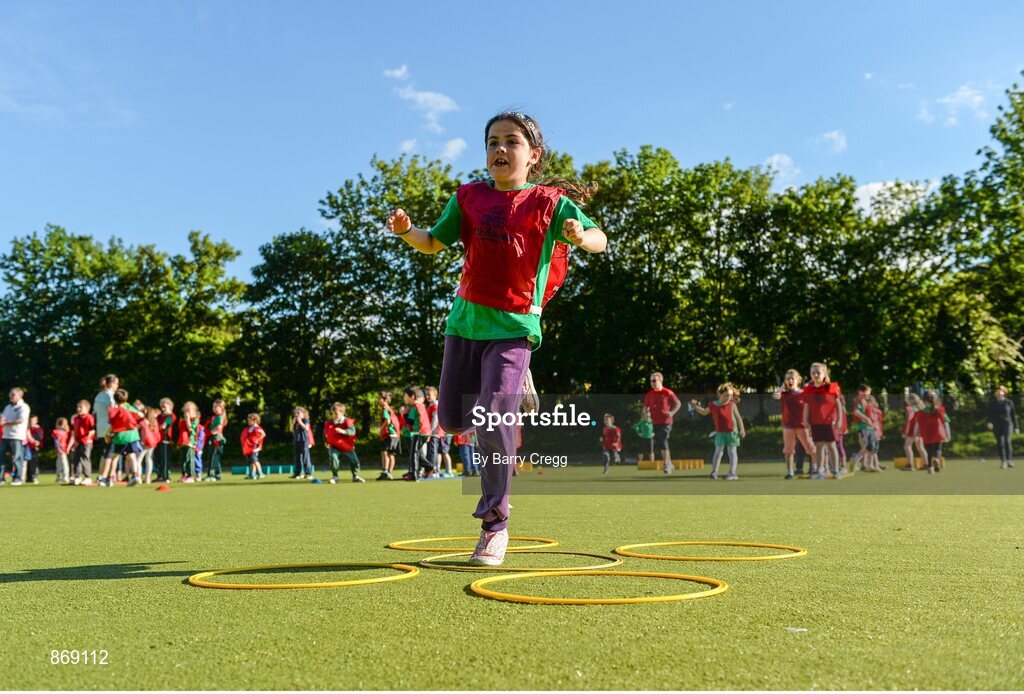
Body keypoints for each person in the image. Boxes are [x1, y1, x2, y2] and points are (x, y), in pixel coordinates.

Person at [386, 110, 607, 565]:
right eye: (492, 142)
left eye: (511, 142)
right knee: (449, 421)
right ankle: (509, 390)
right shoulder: (467, 198)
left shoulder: (548, 201)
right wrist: (408, 231)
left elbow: (600, 237)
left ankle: (495, 524)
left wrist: (581, 236)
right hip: (464, 324)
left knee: (491, 419)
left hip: (514, 328)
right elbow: (433, 242)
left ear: (534, 155)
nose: (500, 150)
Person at [691, 384, 746, 481]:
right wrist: (695, 406)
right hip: (720, 433)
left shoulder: (732, 405)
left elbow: (738, 418)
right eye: (726, 395)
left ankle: (732, 473)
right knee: (718, 453)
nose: (728, 397)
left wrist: (742, 429)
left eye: (730, 395)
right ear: (719, 394)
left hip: (732, 433)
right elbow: (704, 412)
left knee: (732, 452)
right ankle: (714, 472)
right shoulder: (713, 405)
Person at [802, 363, 843, 480]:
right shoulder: (808, 389)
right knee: (818, 446)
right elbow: (806, 406)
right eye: (813, 373)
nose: (815, 375)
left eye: (818, 372)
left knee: (831, 445)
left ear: (824, 374)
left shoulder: (831, 387)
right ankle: (820, 471)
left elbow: (838, 404)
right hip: (815, 422)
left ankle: (835, 470)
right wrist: (805, 419)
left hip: (829, 422)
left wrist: (839, 419)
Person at [773, 369, 814, 479]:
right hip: (788, 426)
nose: (790, 380)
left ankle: (816, 469)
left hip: (802, 426)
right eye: (787, 379)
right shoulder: (783, 393)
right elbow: (776, 396)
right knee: (788, 450)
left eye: (792, 378)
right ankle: (790, 472)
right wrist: (782, 386)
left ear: (798, 380)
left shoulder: (803, 393)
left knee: (811, 448)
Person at [99, 389, 145, 487]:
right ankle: (136, 476)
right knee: (132, 455)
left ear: (115, 399)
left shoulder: (116, 409)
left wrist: (107, 434)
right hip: (132, 435)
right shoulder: (129, 407)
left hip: (120, 436)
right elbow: (141, 415)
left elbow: (113, 424)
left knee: (114, 457)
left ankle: (110, 479)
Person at [643, 372, 682, 475]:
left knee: (663, 440)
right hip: (655, 422)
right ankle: (669, 463)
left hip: (666, 422)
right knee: (661, 442)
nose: (652, 383)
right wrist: (646, 415)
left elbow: (678, 403)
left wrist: (672, 412)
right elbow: (645, 407)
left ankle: (666, 465)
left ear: (660, 381)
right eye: (651, 381)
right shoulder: (649, 394)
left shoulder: (668, 392)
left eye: (654, 380)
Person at [324, 402, 365, 484]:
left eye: (336, 413)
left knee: (355, 461)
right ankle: (335, 476)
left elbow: (353, 432)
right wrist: (326, 441)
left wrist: (343, 431)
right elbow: (326, 433)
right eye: (332, 413)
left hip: (347, 446)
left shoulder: (347, 421)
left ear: (342, 413)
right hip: (334, 446)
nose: (334, 415)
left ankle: (356, 476)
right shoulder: (329, 423)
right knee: (333, 458)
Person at [1, 388, 31, 485]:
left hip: (17, 436)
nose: (11, 396)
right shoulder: (8, 407)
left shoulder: (24, 407)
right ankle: (1, 478)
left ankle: (17, 478)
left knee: (17, 458)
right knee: (1, 458)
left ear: (19, 395)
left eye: (13, 394)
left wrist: (6, 423)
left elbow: (20, 420)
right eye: (10, 394)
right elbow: (3, 418)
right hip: (5, 435)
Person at [912, 390, 947, 474]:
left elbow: (918, 423)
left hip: (927, 433)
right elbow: (944, 420)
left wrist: (915, 433)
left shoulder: (921, 411)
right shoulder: (938, 409)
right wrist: (946, 433)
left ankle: (930, 467)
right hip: (938, 432)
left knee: (929, 450)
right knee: (938, 449)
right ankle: (936, 459)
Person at [400, 387, 431, 481]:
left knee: (414, 453)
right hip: (424, 432)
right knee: (417, 453)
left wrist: (403, 413)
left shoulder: (414, 406)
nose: (404, 398)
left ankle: (415, 474)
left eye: (406, 396)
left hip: (419, 433)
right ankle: (425, 468)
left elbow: (410, 421)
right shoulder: (421, 405)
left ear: (412, 396)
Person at [92, 374, 119, 481]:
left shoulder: (98, 395)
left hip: (101, 427)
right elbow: (114, 411)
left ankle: (106, 475)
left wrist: (95, 428)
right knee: (111, 453)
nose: (117, 385)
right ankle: (104, 476)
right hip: (111, 427)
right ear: (111, 383)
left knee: (107, 452)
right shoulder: (111, 395)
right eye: (117, 383)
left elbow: (94, 413)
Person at [986, 386, 1019, 469]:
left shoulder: (1009, 402)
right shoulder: (992, 403)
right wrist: (989, 422)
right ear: (996, 393)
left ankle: (1009, 460)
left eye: (1001, 391)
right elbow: (989, 414)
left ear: (1004, 392)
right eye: (998, 392)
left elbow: (1014, 416)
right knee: (1000, 443)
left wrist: (1016, 427)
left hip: (1008, 424)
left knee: (1007, 441)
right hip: (997, 425)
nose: (999, 393)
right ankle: (1003, 461)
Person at [69, 400, 95, 485]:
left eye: (81, 407)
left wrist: (87, 438)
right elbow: (75, 431)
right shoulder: (76, 418)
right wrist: (75, 440)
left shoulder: (89, 417)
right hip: (78, 441)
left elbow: (92, 429)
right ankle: (78, 476)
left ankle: (88, 477)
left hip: (87, 441)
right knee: (76, 459)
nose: (78, 409)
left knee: (85, 458)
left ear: (87, 408)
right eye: (77, 407)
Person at [901, 389, 928, 471]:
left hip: (913, 429)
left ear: (910, 400)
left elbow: (909, 420)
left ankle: (910, 464)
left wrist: (906, 431)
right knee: (920, 447)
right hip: (920, 429)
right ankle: (926, 464)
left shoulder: (910, 408)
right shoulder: (921, 407)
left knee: (907, 446)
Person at [377, 392, 400, 480]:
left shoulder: (385, 409)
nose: (378, 401)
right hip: (395, 434)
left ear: (385, 400)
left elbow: (388, 421)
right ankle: (389, 472)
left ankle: (385, 471)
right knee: (391, 454)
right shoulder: (390, 409)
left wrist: (381, 429)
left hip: (389, 434)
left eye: (379, 399)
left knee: (385, 453)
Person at [203, 399, 228, 482]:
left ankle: (211, 474)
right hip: (214, 438)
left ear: (221, 408)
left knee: (213, 456)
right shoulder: (214, 417)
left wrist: (210, 433)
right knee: (215, 456)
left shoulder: (219, 417)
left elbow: (219, 427)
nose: (215, 408)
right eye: (214, 406)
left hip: (216, 438)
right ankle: (217, 474)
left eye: (217, 406)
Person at [177, 401, 201, 483]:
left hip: (190, 442)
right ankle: (184, 474)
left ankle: (191, 476)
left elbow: (190, 429)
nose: (187, 413)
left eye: (189, 410)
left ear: (194, 412)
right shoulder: (183, 420)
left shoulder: (195, 420)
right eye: (185, 411)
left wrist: (187, 419)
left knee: (189, 459)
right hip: (183, 442)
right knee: (183, 460)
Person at [138, 408, 162, 484]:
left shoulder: (143, 422)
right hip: (152, 443)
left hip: (144, 443)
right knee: (149, 459)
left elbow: (135, 428)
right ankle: (147, 478)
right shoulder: (155, 422)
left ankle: (138, 477)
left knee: (138, 460)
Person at [155, 398, 177, 483]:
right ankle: (160, 475)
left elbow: (163, 426)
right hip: (158, 439)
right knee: (158, 459)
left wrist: (156, 426)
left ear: (170, 406)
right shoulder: (160, 416)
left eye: (165, 404)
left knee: (165, 458)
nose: (163, 405)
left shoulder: (170, 416)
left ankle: (166, 476)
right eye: (162, 404)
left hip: (165, 439)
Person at [290, 406, 314, 480]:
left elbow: (306, 428)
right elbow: (291, 430)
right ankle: (297, 473)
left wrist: (300, 422)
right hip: (297, 440)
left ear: (302, 413)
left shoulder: (305, 420)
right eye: (296, 413)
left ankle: (308, 473)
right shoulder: (296, 422)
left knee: (305, 457)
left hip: (304, 440)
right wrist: (294, 422)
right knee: (297, 457)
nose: (297, 414)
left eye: (298, 413)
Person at [240, 413, 267, 479]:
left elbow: (263, 434)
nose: (248, 422)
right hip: (249, 447)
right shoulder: (250, 428)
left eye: (250, 420)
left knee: (255, 460)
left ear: (255, 420)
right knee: (251, 461)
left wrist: (257, 440)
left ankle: (261, 473)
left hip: (254, 447)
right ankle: (252, 474)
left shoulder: (257, 427)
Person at [24, 415, 44, 484]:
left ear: (36, 421)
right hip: (27, 448)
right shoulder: (27, 429)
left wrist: (32, 440)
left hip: (34, 448)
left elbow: (39, 438)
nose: (31, 422)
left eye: (32, 421)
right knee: (28, 464)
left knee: (34, 463)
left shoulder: (38, 429)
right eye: (30, 421)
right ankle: (28, 478)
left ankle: (34, 477)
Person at [52, 417, 73, 484]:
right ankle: (60, 477)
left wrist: (59, 449)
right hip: (61, 450)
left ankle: (64, 477)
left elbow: (56, 442)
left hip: (62, 450)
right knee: (60, 463)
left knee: (63, 464)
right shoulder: (63, 432)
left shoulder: (59, 432)